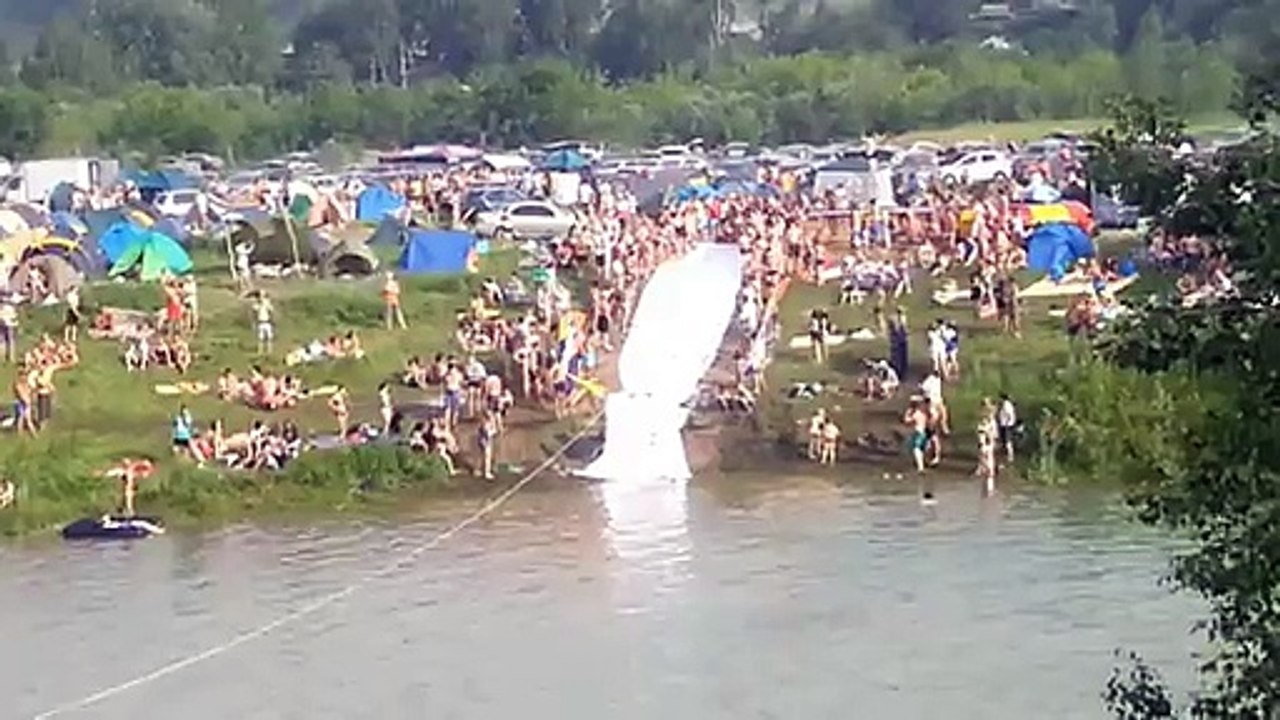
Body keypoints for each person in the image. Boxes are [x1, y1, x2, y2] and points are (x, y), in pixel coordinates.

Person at [903, 399, 929, 474]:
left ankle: (920, 467)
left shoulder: (916, 414)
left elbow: (907, 421)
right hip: (923, 432)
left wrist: (907, 413)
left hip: (918, 433)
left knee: (916, 449)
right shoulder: (923, 413)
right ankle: (922, 465)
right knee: (920, 449)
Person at [997, 393, 1019, 465]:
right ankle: (1008, 455)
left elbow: (1010, 415)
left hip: (1006, 425)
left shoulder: (1006, 405)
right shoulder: (1006, 404)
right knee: (1006, 441)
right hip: (1005, 425)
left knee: (1007, 441)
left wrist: (1008, 423)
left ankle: (1010, 456)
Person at [0, 295, 18, 364]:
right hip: (10, 325)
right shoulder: (11, 307)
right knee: (10, 341)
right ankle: (11, 358)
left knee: (3, 341)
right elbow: (14, 316)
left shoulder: (2, 308)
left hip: (4, 324)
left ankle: (3, 357)